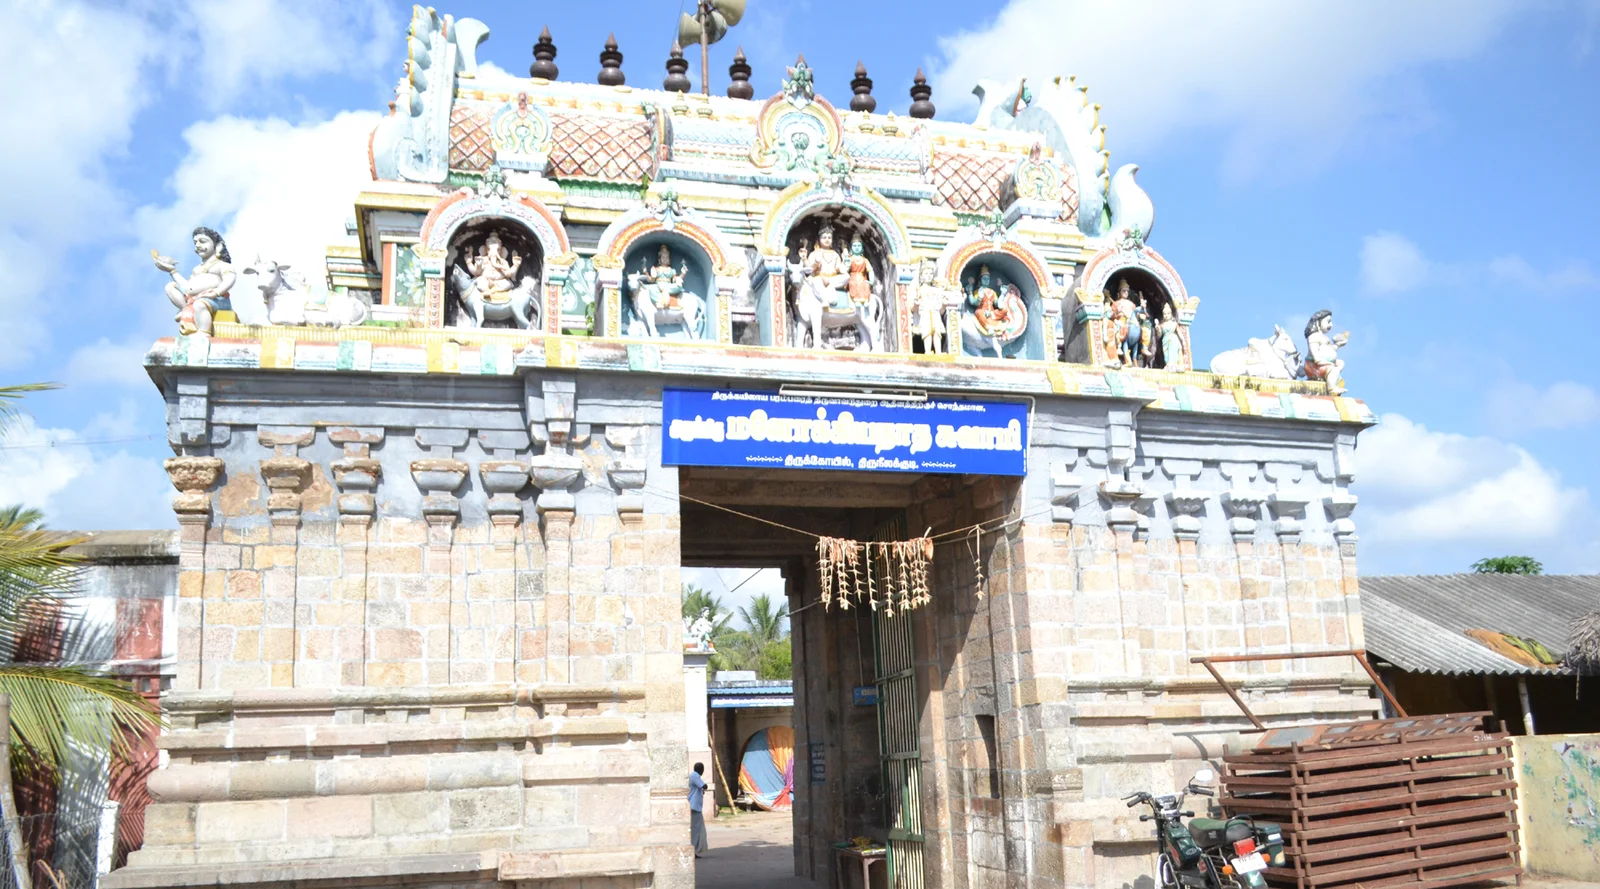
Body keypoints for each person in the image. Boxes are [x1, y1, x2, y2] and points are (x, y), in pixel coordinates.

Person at [689, 762, 710, 856]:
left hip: (695, 807)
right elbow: (704, 786)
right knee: (696, 830)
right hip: (694, 807)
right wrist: (704, 787)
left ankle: (695, 850)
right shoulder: (695, 776)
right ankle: (693, 850)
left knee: (698, 829)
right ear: (701, 769)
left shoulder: (693, 776)